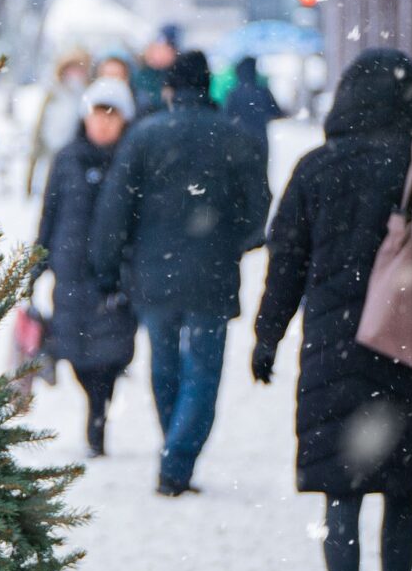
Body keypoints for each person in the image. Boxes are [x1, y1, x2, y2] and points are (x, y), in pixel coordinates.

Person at [251, 48, 412, 571]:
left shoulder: (315, 168)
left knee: (342, 491)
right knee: (402, 488)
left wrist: (268, 336)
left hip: (335, 353)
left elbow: (285, 261)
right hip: (411, 346)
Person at [89, 50, 271, 495]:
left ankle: (173, 449)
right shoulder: (234, 136)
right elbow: (257, 208)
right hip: (212, 274)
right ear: (207, 87)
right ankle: (179, 457)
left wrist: (108, 266)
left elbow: (115, 208)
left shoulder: (144, 137)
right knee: (204, 371)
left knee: (164, 365)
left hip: (154, 275)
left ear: (169, 89)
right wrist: (234, 243)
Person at [33, 77, 138, 458]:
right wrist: (36, 263)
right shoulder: (66, 158)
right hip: (71, 271)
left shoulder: (132, 159)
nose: (104, 123)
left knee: (111, 355)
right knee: (75, 353)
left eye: (112, 116)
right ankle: (94, 408)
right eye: (98, 114)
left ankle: (98, 416)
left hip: (114, 275)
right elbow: (49, 213)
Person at [26, 48, 92, 195]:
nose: (74, 75)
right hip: (49, 154)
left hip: (74, 157)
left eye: (79, 70)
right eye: (71, 70)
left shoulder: (87, 97)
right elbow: (40, 127)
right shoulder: (53, 94)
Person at [224, 55, 284, 151]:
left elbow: (227, 116)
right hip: (260, 139)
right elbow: (277, 113)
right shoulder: (263, 92)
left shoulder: (233, 93)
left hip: (239, 139)